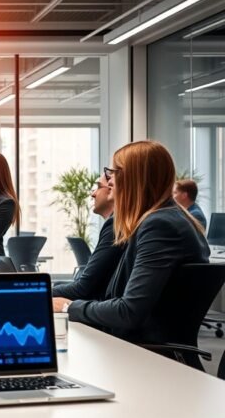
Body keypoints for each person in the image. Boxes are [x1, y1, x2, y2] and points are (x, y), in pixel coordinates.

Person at [53, 141, 209, 342]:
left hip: (145, 356)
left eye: (114, 173)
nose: (109, 182)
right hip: (135, 345)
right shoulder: (164, 219)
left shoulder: (160, 225)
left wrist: (67, 307)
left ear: (133, 179)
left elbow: (129, 311)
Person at [53, 173, 124, 300]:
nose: (93, 194)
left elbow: (83, 288)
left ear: (111, 189)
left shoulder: (115, 225)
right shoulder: (116, 223)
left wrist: (41, 291)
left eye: (98, 187)